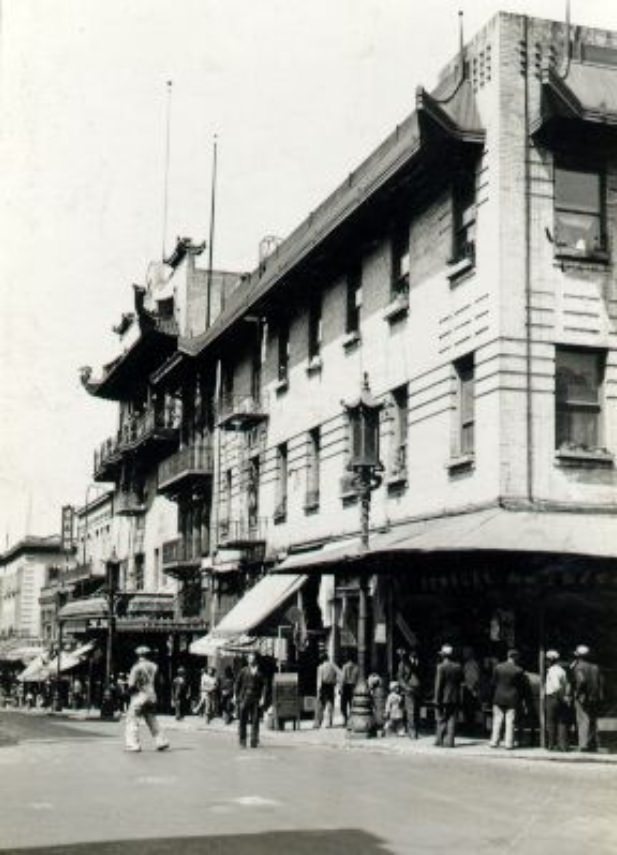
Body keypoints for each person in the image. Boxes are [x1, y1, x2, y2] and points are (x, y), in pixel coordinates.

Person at [125, 645, 169, 753]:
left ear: (138, 655)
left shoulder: (136, 667)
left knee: (132, 720)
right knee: (151, 719)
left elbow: (131, 685)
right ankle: (161, 742)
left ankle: (133, 744)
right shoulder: (155, 666)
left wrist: (128, 694)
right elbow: (161, 682)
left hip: (140, 696)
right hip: (152, 696)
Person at [489, 649, 527, 750]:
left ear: (508, 656)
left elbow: (493, 683)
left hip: (498, 696)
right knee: (510, 721)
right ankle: (508, 743)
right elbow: (521, 686)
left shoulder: (498, 667)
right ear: (515, 657)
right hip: (512, 698)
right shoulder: (519, 670)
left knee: (497, 720)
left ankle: (494, 741)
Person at [570, 645, 603, 752]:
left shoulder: (578, 667)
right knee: (593, 720)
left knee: (582, 720)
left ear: (578, 656)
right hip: (594, 697)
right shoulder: (595, 667)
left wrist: (577, 693)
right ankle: (593, 743)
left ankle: (583, 745)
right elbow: (601, 682)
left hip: (583, 698)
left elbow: (582, 680)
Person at [234, 652, 266, 748]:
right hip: (244, 697)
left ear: (255, 659)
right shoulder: (243, 671)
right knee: (243, 719)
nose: (251, 659)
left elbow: (264, 685)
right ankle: (242, 740)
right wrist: (235, 696)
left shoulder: (260, 671)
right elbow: (237, 683)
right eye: (249, 658)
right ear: (247, 660)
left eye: (252, 658)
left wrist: (263, 697)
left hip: (256, 697)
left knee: (255, 719)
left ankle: (254, 740)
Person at [434, 644, 463, 748]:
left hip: (443, 697)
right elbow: (460, 682)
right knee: (452, 719)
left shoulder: (440, 667)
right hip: (455, 696)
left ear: (443, 656)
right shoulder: (458, 667)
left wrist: (436, 699)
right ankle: (450, 742)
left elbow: (439, 685)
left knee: (441, 718)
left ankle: (439, 739)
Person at [545, 649, 569, 752]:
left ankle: (551, 745)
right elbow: (566, 684)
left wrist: (560, 696)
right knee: (561, 722)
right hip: (562, 697)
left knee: (551, 722)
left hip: (553, 697)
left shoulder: (552, 671)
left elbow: (556, 686)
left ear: (550, 660)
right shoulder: (562, 670)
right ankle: (562, 745)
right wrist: (565, 697)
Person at [397, 648, 422, 739]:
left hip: (418, 690)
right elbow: (400, 678)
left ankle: (416, 729)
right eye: (413, 654)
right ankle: (412, 732)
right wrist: (406, 687)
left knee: (416, 711)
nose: (414, 655)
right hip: (409, 689)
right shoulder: (403, 664)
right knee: (410, 711)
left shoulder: (418, 663)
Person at [314, 653, 341, 728]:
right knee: (330, 704)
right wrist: (336, 682)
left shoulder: (320, 667)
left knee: (320, 705)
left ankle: (318, 723)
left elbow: (319, 680)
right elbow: (340, 674)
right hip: (331, 686)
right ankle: (329, 723)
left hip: (323, 686)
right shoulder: (333, 666)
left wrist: (318, 690)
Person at [461, 647, 481, 734]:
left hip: (469, 690)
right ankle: (469, 728)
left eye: (465, 653)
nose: (463, 654)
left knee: (469, 711)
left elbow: (473, 678)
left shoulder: (471, 664)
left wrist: (471, 688)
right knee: (468, 711)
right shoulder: (468, 664)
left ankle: (469, 729)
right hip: (469, 689)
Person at [340, 653, 359, 727]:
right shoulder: (357, 667)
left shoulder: (345, 666)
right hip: (353, 686)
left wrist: (341, 688)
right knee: (352, 704)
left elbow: (343, 678)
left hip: (345, 686)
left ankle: (345, 719)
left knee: (343, 705)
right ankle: (351, 719)